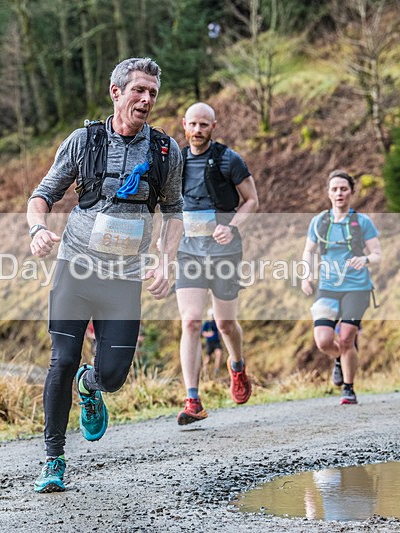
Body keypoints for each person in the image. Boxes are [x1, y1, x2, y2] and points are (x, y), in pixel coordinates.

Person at [27, 57, 184, 492]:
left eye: (152, 92)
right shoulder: (84, 141)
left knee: (113, 375)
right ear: (116, 92)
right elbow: (42, 195)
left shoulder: (165, 151)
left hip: (124, 277)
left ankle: (91, 384)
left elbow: (174, 213)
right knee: (61, 360)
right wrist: (38, 229)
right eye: (138, 90)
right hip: (76, 267)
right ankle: (53, 459)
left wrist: (166, 259)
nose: (146, 99)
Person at [174, 102, 259, 425]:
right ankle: (192, 400)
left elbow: (252, 200)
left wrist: (232, 226)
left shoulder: (228, 159)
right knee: (192, 321)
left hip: (224, 252)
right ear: (184, 125)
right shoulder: (176, 162)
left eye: (204, 125)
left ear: (214, 126)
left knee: (224, 324)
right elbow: (168, 206)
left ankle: (237, 366)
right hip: (189, 252)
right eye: (192, 124)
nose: (197, 130)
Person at [301, 170, 382, 405]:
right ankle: (340, 359)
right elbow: (308, 251)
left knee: (347, 338)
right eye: (335, 189)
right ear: (328, 193)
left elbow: (377, 254)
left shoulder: (361, 222)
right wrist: (306, 276)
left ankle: (348, 387)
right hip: (328, 287)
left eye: (344, 189)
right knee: (324, 341)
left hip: (357, 288)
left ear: (351, 193)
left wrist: (365, 259)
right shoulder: (319, 222)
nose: (339, 193)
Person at [200, 309, 223, 380]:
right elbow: (203, 332)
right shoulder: (206, 324)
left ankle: (216, 370)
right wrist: (208, 334)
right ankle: (204, 372)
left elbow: (220, 331)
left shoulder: (216, 323)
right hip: (209, 343)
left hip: (216, 342)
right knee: (208, 358)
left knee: (219, 354)